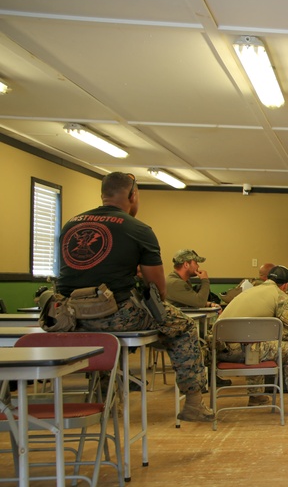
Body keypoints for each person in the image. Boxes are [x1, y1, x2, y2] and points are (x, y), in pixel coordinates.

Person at [56, 171, 213, 422]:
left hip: (70, 319)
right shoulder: (138, 228)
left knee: (107, 342)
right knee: (184, 327)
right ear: (133, 195)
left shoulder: (71, 224)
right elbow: (157, 289)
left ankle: (109, 403)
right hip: (117, 314)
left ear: (103, 194)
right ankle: (194, 403)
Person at [215, 265, 288, 415]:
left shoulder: (250, 291)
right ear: (285, 285)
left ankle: (256, 396)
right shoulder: (280, 296)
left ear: (267, 279)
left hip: (218, 351)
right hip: (242, 351)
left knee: (254, 344)